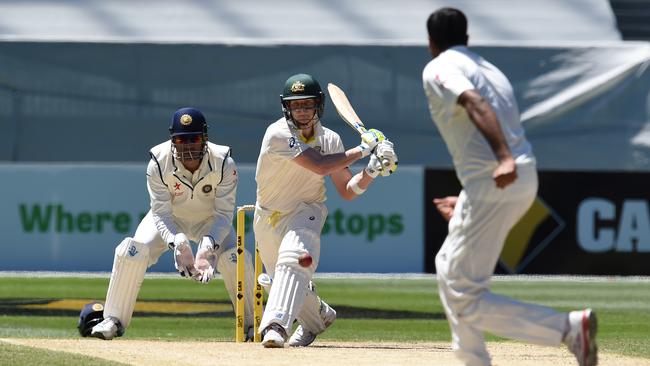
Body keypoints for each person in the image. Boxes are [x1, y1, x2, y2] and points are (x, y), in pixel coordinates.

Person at [423, 8, 597, 366]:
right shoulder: (492, 70)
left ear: (431, 44)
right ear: (468, 39)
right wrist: (471, 199)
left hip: (498, 177)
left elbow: (474, 103)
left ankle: (566, 328)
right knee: (447, 266)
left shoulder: (439, 67)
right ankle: (472, 358)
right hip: (511, 180)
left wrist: (502, 159)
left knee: (464, 295)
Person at [253, 73, 397, 348]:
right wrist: (364, 149)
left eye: (307, 105)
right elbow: (319, 165)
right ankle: (318, 318)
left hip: (307, 210)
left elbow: (347, 190)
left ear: (318, 106)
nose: (302, 111)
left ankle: (275, 326)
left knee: (294, 259)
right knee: (281, 278)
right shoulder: (278, 133)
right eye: (296, 106)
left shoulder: (330, 140)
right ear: (287, 108)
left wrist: (372, 171)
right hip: (268, 215)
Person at [90, 107, 256, 340]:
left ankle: (252, 325)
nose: (187, 147)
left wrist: (207, 248)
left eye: (193, 139)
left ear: (205, 139)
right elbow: (160, 213)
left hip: (210, 220)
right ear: (172, 141)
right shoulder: (158, 162)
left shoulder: (224, 162)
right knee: (131, 250)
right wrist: (178, 243)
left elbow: (223, 214)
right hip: (171, 218)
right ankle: (113, 320)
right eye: (180, 140)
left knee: (234, 258)